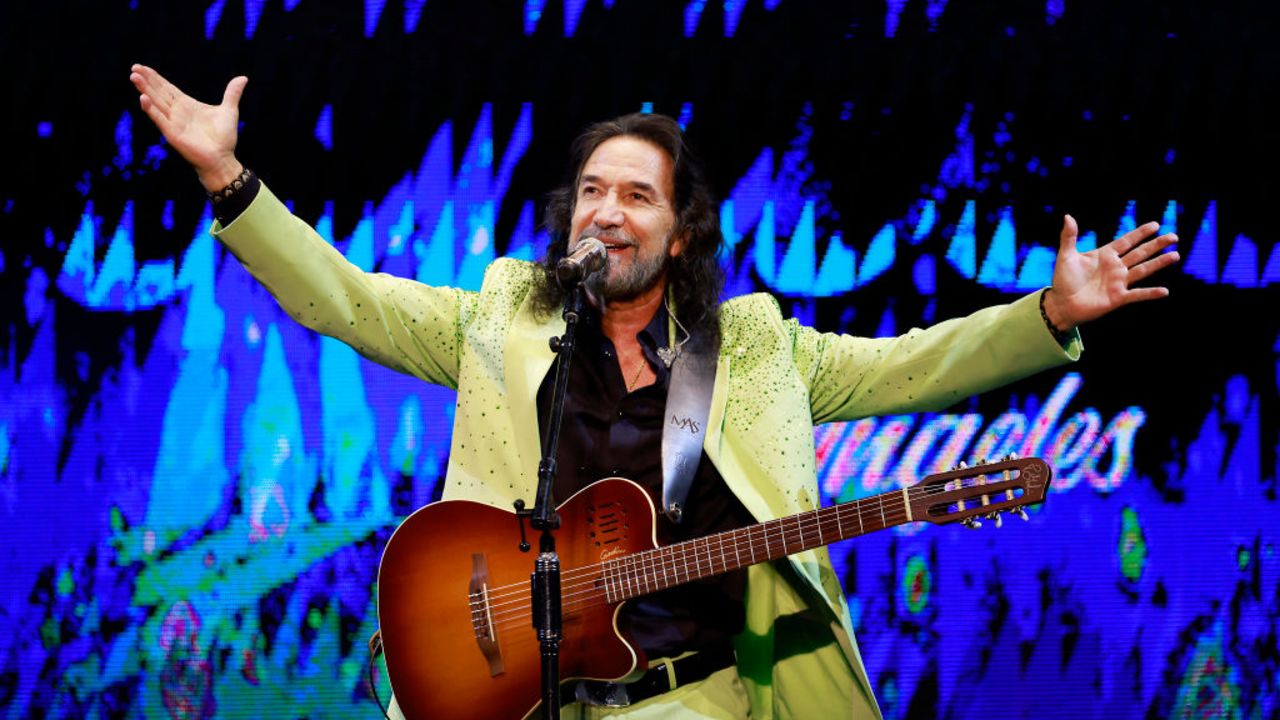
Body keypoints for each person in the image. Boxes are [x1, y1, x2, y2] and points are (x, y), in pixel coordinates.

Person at [128, 64, 1179, 719]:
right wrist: (230, 182)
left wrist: (1043, 317)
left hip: (689, 700)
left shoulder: (755, 346)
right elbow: (345, 302)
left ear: (680, 233)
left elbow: (912, 364)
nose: (606, 213)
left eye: (636, 195)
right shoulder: (499, 312)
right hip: (507, 681)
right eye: (590, 191)